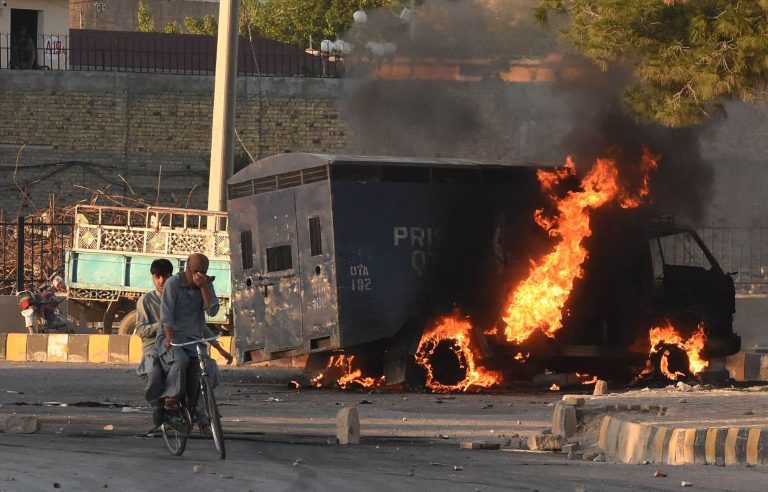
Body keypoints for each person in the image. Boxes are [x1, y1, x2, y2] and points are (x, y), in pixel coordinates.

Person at [157, 253, 233, 417]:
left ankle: (202, 416)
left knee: (208, 370)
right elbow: (166, 315)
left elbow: (212, 312)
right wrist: (169, 337)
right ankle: (171, 396)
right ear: (188, 269)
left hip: (194, 339)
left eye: (203, 272)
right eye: (196, 271)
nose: (199, 275)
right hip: (172, 337)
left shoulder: (206, 283)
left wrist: (204, 287)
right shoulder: (173, 284)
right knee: (180, 360)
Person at [135, 259, 174, 429]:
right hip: (153, 346)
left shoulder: (177, 297)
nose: (161, 281)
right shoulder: (146, 301)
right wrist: (162, 325)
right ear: (153, 278)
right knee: (154, 370)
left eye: (164, 276)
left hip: (174, 344)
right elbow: (141, 330)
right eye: (157, 277)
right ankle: (158, 404)